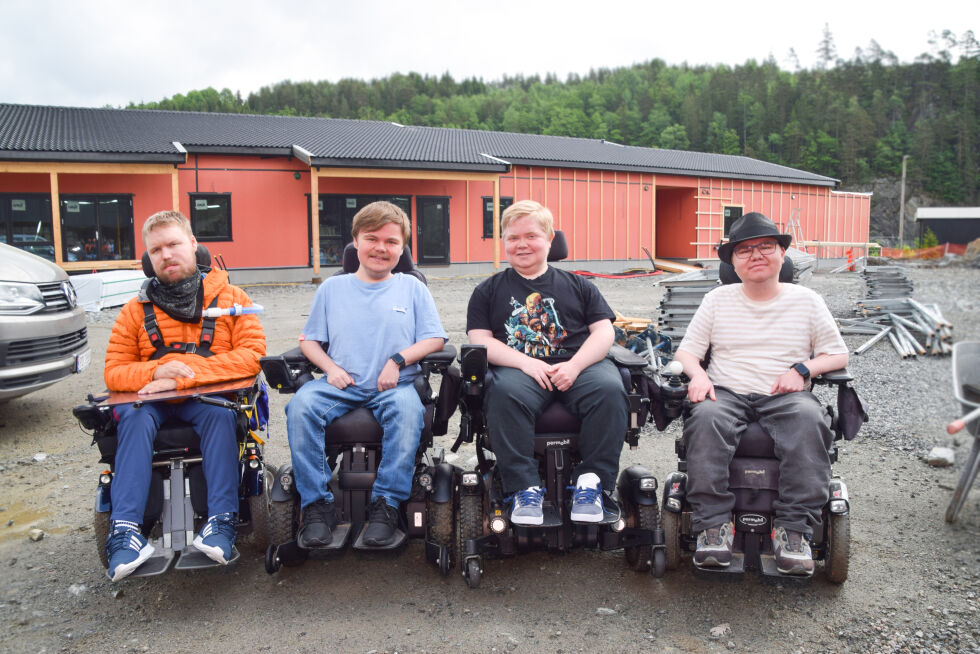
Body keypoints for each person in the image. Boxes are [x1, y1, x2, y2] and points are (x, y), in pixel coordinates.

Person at [673, 212, 849, 575]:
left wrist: (804, 369)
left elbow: (837, 354)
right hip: (727, 391)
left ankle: (794, 530)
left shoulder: (807, 300)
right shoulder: (718, 299)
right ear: (733, 262)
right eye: (744, 250)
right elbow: (687, 352)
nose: (755, 255)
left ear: (782, 254)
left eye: (765, 247)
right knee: (704, 419)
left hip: (784, 395)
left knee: (809, 420)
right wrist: (697, 375)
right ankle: (712, 527)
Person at [103, 210, 266, 581]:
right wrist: (155, 371)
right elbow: (114, 370)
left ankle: (221, 522)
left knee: (221, 415)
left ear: (193, 245)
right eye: (156, 249)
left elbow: (253, 355)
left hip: (207, 401)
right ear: (148, 257)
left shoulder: (231, 297)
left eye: (174, 244)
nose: (167, 254)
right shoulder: (135, 310)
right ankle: (126, 531)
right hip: (151, 403)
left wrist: (184, 378)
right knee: (131, 416)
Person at [285, 201, 447, 548]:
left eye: (391, 241)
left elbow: (435, 339)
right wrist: (330, 368)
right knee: (300, 407)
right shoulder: (332, 288)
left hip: (396, 385)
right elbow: (310, 342)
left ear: (401, 248)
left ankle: (386, 506)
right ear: (355, 241)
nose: (381, 248)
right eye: (372, 238)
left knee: (408, 413)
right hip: (342, 385)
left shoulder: (412, 287)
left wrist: (399, 360)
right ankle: (317, 507)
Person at [466, 200, 627, 526]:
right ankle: (525, 488)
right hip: (519, 369)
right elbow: (480, 339)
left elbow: (604, 332)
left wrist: (575, 366)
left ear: (550, 239)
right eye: (512, 238)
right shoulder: (488, 290)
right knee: (503, 393)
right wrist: (526, 364)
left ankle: (591, 485)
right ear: (503, 242)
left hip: (580, 366)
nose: (521, 244)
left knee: (611, 389)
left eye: (531, 236)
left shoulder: (580, 286)